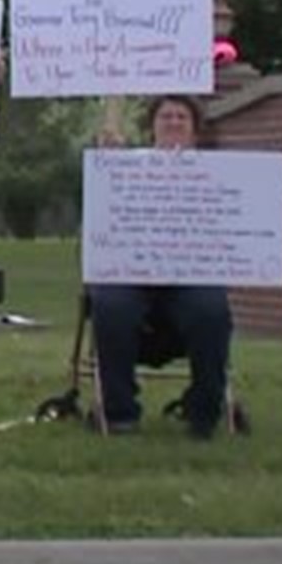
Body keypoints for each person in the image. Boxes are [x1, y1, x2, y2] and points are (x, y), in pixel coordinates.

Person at [84, 94, 235, 440]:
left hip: (191, 278)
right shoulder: (128, 167)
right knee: (109, 305)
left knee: (212, 310)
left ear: (195, 130)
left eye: (182, 117)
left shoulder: (218, 176)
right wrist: (108, 162)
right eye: (165, 116)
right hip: (132, 276)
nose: (173, 122)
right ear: (151, 127)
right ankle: (119, 413)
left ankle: (203, 412)